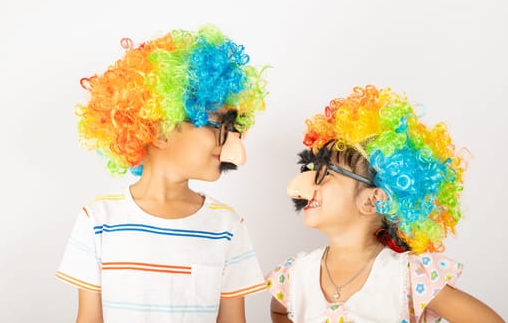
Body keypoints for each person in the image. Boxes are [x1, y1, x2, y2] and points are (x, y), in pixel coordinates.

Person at [56, 25, 268, 323]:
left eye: (235, 130)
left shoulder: (227, 226)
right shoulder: (98, 220)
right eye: (219, 126)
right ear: (160, 130)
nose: (230, 143)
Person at [266, 85, 504, 322]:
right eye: (311, 169)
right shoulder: (295, 275)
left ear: (373, 200)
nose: (303, 185)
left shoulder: (408, 277)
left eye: (326, 174)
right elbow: (278, 310)